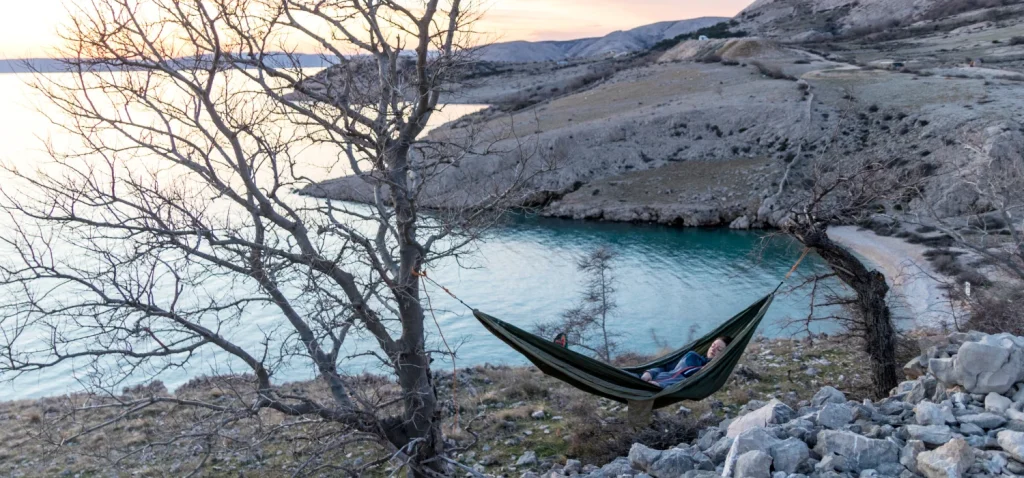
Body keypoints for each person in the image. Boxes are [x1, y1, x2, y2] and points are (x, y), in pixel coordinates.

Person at [640, 336, 732, 388]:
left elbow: (683, 382)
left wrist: (659, 385)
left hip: (659, 388)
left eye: (719, 349)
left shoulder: (710, 371)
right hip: (648, 379)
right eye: (713, 345)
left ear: (724, 354)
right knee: (628, 382)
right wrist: (650, 373)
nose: (713, 349)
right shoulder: (691, 356)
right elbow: (665, 365)